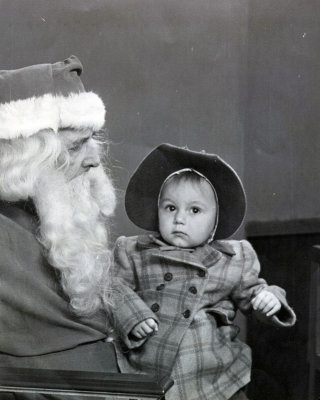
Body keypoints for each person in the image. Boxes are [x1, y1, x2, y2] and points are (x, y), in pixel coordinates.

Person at [109, 143, 296, 400]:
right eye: (170, 208)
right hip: (148, 366)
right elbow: (113, 288)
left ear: (214, 223)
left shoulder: (233, 257)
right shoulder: (134, 251)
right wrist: (133, 317)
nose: (179, 219)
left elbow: (254, 293)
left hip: (214, 373)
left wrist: (269, 299)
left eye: (194, 210)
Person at [0, 56, 118, 398]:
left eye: (93, 140)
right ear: (25, 156)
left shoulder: (48, 213)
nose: (95, 159)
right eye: (77, 145)